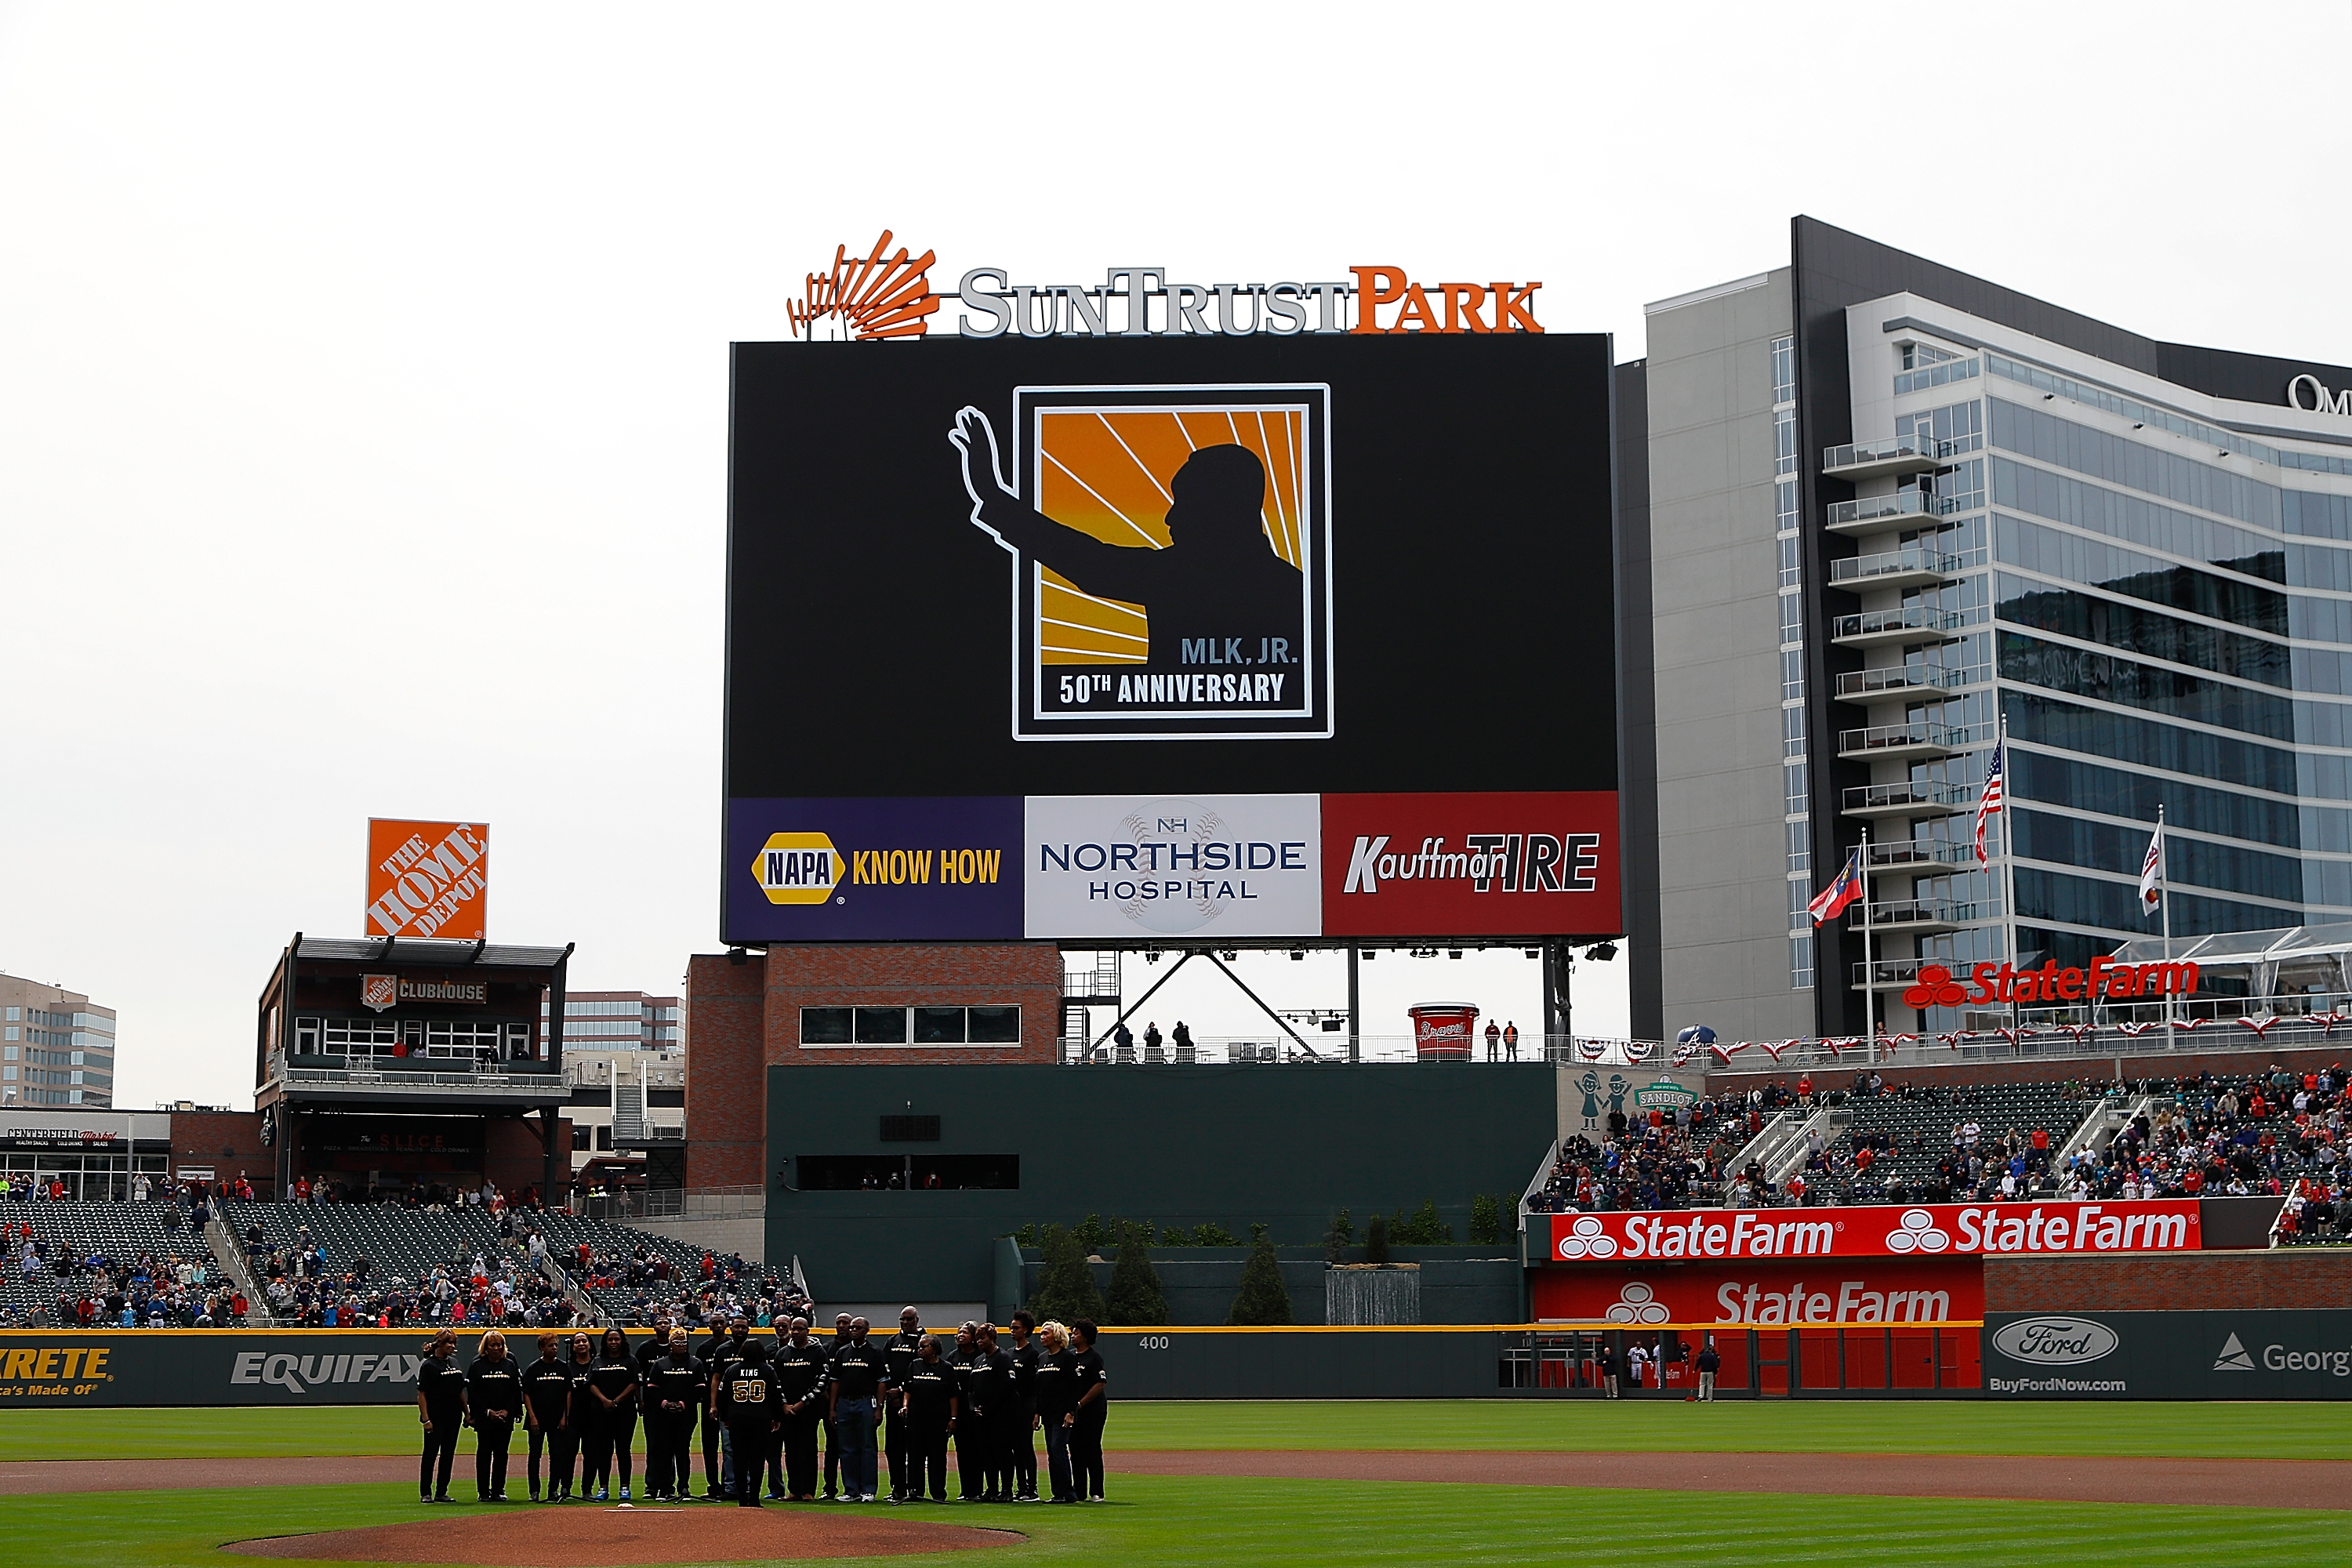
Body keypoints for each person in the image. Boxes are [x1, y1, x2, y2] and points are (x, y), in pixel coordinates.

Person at [951, 410, 1305, 677]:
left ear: (1219, 510)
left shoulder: (1176, 577)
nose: (1170, 519)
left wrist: (995, 498)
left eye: (1185, 503)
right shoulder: (1299, 594)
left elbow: (1091, 564)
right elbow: (1092, 564)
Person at [829, 1315, 887, 1503]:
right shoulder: (842, 1352)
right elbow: (835, 1381)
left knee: (868, 1447)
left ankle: (868, 1490)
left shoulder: (875, 1352)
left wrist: (879, 1408)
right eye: (852, 1327)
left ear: (866, 1331)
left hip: (866, 1402)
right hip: (845, 1403)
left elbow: (882, 1382)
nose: (853, 1330)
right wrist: (832, 1407)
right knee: (847, 1449)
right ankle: (851, 1490)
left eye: (858, 1328)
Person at [717, 1338, 780, 1507]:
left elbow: (722, 1395)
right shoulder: (768, 1370)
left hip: (738, 1419)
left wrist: (725, 1418)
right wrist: (777, 1417)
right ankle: (754, 1498)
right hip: (761, 1419)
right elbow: (776, 1395)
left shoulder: (732, 1370)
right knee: (757, 1460)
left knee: (740, 1459)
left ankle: (742, 1500)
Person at [644, 1328, 704, 1502]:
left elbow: (700, 1389)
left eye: (684, 1342)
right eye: (677, 1342)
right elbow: (652, 1389)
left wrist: (683, 1404)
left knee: (683, 1451)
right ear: (670, 1344)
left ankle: (684, 1487)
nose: (681, 1345)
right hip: (663, 1416)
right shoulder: (660, 1364)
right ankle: (665, 1489)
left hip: (686, 1415)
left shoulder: (695, 1364)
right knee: (664, 1452)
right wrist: (664, 1404)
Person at [579, 1327, 639, 1501]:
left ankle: (625, 1487)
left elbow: (635, 1383)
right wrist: (605, 1400)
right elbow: (591, 1384)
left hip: (625, 1412)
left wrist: (617, 1401)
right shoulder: (597, 1361)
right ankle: (603, 1487)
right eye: (610, 1340)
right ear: (605, 1342)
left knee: (623, 1450)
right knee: (604, 1451)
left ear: (622, 1341)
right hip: (600, 1411)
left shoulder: (630, 1360)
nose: (613, 1343)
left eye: (617, 1339)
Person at [896, 1334, 956, 1503]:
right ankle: (916, 1491)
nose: (920, 1349)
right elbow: (908, 1389)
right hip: (916, 1419)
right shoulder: (914, 1366)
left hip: (938, 1420)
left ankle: (938, 1492)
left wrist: (953, 1417)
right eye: (919, 1347)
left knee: (937, 1457)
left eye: (924, 1346)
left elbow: (953, 1395)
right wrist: (905, 1405)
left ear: (935, 1349)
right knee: (915, 1456)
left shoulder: (946, 1368)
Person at [773, 1316, 828, 1502]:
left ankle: (808, 1491)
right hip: (788, 1412)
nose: (795, 1332)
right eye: (793, 1329)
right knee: (791, 1452)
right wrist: (784, 1404)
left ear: (808, 1331)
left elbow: (821, 1381)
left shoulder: (818, 1352)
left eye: (800, 1329)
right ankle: (794, 1490)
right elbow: (776, 1383)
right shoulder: (782, 1354)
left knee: (809, 1451)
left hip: (809, 1411)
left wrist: (803, 1403)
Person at [521, 1332, 575, 1502]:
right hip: (538, 1418)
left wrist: (565, 1416)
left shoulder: (563, 1367)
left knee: (557, 1455)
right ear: (542, 1348)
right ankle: (534, 1491)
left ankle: (553, 1490)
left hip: (557, 1419)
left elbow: (568, 1392)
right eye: (550, 1345)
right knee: (535, 1454)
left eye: (556, 1345)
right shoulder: (533, 1368)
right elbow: (526, 1394)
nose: (554, 1348)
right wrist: (532, 1417)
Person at [705, 1316, 755, 1501]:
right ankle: (731, 1486)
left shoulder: (753, 1349)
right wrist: (713, 1404)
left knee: (749, 1449)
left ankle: (749, 1486)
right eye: (737, 1327)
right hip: (728, 1407)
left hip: (750, 1407)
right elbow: (716, 1378)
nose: (740, 1330)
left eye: (743, 1327)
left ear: (749, 1329)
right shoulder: (722, 1350)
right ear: (730, 1328)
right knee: (729, 1448)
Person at [881, 1307, 927, 1502]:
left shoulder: (924, 1341)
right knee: (893, 1447)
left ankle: (915, 1488)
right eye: (903, 1319)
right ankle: (897, 1488)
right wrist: (890, 1394)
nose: (906, 1322)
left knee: (915, 1449)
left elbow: (922, 1372)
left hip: (916, 1405)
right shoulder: (892, 1341)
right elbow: (884, 1369)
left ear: (917, 1320)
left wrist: (901, 1390)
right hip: (893, 1405)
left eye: (909, 1319)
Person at [415, 1328, 465, 1504]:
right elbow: (422, 1394)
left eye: (453, 1343)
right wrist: (426, 1419)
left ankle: (442, 1491)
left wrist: (467, 1412)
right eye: (448, 1342)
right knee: (430, 1454)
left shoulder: (454, 1363)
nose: (452, 1346)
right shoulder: (429, 1365)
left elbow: (460, 1391)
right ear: (439, 1344)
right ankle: (426, 1492)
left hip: (453, 1416)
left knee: (448, 1454)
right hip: (436, 1417)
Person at [1033, 1321, 1077, 1503]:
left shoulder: (1067, 1358)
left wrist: (1071, 1412)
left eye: (1046, 1333)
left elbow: (1074, 1387)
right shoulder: (1042, 1358)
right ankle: (1057, 1492)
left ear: (1057, 1336)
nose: (1042, 1336)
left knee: (1059, 1450)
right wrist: (1037, 1414)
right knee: (1052, 1452)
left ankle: (1068, 1492)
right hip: (1048, 1413)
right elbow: (1040, 1390)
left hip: (1062, 1413)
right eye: (1041, 1333)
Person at [1065, 1319, 1109, 1501]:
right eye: (1072, 1333)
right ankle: (1080, 1491)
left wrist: (1081, 1403)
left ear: (1085, 1336)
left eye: (1076, 1333)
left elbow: (1100, 1383)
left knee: (1091, 1448)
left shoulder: (1093, 1357)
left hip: (1093, 1410)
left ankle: (1097, 1492)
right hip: (1074, 1411)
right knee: (1075, 1449)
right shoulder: (1070, 1357)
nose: (1072, 1336)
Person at [695, 1317, 734, 1498]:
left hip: (732, 1404)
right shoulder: (704, 1349)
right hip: (709, 1403)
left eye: (721, 1323)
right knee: (709, 1446)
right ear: (709, 1326)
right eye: (715, 1323)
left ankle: (729, 1485)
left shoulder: (733, 1347)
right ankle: (713, 1485)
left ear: (726, 1326)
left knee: (730, 1447)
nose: (718, 1326)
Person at [1006, 1310, 1041, 1502]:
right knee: (1015, 1449)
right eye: (1012, 1327)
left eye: (1016, 1328)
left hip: (1026, 1406)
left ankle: (1032, 1489)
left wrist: (1036, 1411)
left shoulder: (1032, 1354)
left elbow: (1034, 1386)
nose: (1012, 1331)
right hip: (1012, 1407)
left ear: (1025, 1330)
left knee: (1025, 1447)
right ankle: (1020, 1488)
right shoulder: (1009, 1354)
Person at [821, 1312, 853, 1500]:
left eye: (845, 1323)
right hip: (831, 1405)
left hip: (853, 1403)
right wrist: (830, 1402)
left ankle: (854, 1488)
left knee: (853, 1449)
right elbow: (823, 1379)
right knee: (832, 1449)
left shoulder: (858, 1349)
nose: (842, 1326)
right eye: (839, 1322)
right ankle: (829, 1488)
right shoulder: (827, 1349)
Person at [1695, 1338, 1721, 1403]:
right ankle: (1709, 1398)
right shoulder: (1713, 1356)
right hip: (1710, 1372)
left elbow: (1698, 1363)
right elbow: (1716, 1365)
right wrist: (1715, 1373)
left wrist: (1695, 1370)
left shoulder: (1702, 1356)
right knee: (1710, 1385)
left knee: (1702, 1384)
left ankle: (1701, 1396)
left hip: (1703, 1372)